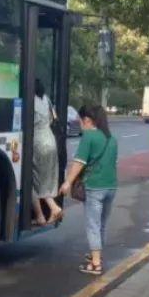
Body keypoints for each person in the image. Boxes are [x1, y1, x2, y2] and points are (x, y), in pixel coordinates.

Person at [59, 104, 118, 276]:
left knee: (93, 225)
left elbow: (79, 163)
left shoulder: (89, 137)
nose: (80, 124)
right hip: (111, 187)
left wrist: (67, 182)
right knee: (102, 225)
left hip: (95, 187)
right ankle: (96, 255)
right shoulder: (111, 139)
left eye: (81, 121)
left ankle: (96, 264)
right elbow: (113, 164)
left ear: (87, 120)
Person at [31, 80, 62, 225]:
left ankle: (49, 211)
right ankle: (42, 215)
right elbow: (53, 118)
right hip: (50, 139)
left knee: (31, 180)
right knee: (47, 178)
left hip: (37, 142)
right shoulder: (47, 99)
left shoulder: (29, 100)